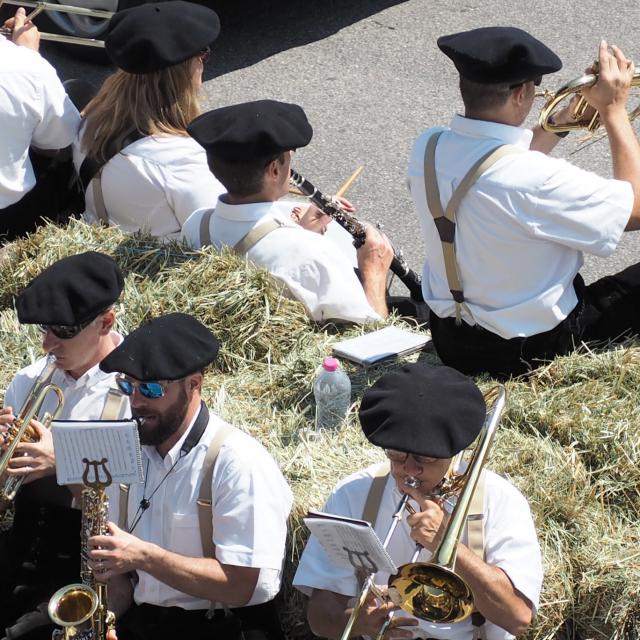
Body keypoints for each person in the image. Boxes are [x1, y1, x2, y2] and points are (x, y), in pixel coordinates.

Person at [408, 27, 640, 379]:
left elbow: (493, 163)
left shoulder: (427, 146)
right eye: (535, 88)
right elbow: (635, 209)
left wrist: (559, 124)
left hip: (450, 340)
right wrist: (614, 111)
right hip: (530, 349)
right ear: (520, 94)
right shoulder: (535, 178)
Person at [294, 363, 542, 640]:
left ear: (454, 452)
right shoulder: (352, 494)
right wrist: (358, 623)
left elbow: (518, 618)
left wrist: (447, 543)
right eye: (397, 455)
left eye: (425, 458)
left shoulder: (500, 499)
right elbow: (319, 617)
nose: (409, 470)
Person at [90, 312, 293, 640]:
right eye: (127, 385)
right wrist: (106, 617)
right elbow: (120, 578)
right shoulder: (126, 452)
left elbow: (241, 586)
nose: (136, 401)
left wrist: (144, 556)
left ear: (193, 384)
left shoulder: (238, 462)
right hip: (146, 622)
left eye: (152, 389)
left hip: (223, 627)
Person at [0, 251, 129, 640]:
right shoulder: (29, 380)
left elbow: (130, 510)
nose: (47, 344)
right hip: (21, 542)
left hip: (84, 559)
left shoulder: (132, 394)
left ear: (106, 322)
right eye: (44, 329)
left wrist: (64, 460)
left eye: (63, 331)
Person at [181, 99, 394, 323]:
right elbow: (370, 335)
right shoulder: (313, 255)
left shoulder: (195, 224)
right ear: (274, 169)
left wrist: (298, 231)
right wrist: (375, 274)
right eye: (289, 155)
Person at [72, 1, 225, 241]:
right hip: (162, 268)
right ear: (186, 70)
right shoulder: (182, 160)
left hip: (99, 242)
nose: (203, 62)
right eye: (203, 53)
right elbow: (220, 238)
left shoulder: (91, 121)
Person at [0, 7, 81, 243]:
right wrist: (29, 56)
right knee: (74, 96)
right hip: (9, 219)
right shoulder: (25, 66)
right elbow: (62, 136)